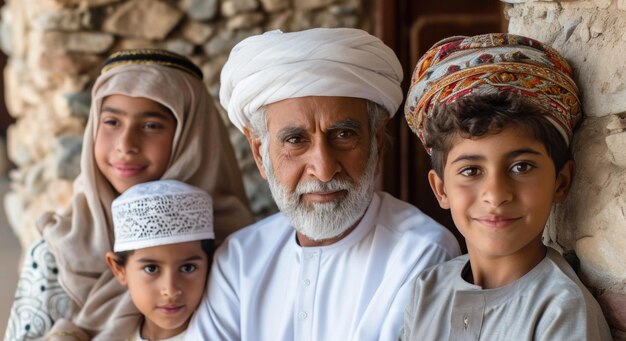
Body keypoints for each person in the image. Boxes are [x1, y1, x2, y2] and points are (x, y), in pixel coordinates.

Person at [186, 28, 461, 341]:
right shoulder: (238, 261)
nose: (324, 169)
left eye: (343, 135)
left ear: (377, 145)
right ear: (259, 154)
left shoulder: (420, 254)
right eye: (295, 140)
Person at [4, 49, 254, 341]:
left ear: (191, 138)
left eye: (151, 125)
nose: (126, 145)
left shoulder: (236, 253)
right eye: (111, 122)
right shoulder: (55, 253)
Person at [400, 33, 612, 340]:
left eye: (521, 167)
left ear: (561, 182)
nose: (496, 195)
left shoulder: (560, 310)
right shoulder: (428, 289)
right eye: (471, 170)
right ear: (441, 189)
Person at [105, 179, 214, 341]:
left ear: (210, 263)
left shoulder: (221, 334)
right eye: (151, 269)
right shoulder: (109, 334)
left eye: (188, 268)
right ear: (119, 269)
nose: (170, 291)